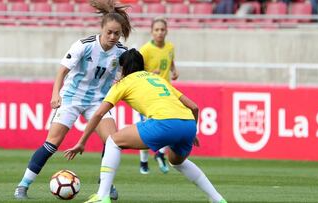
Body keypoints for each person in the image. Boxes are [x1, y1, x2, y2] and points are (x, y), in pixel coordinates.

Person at [64, 48, 228, 203]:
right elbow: (194, 106)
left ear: (123, 68)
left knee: (113, 142)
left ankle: (102, 196)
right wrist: (193, 133)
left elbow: (99, 114)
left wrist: (82, 141)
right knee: (177, 161)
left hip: (164, 123)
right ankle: (217, 198)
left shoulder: (123, 83)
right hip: (188, 125)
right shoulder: (157, 78)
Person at [13, 0, 132, 200]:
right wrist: (55, 94)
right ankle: (22, 186)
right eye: (109, 32)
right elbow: (62, 71)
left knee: (112, 142)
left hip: (98, 101)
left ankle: (106, 186)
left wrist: (122, 79)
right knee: (52, 143)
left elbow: (126, 75)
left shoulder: (122, 52)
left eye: (117, 33)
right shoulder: (83, 46)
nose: (112, 37)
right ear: (101, 28)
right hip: (72, 97)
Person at [138, 17, 179, 175]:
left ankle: (160, 154)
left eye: (162, 29)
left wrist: (174, 70)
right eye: (157, 30)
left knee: (167, 126)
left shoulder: (170, 47)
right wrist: (149, 73)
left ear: (166, 31)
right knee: (146, 130)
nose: (160, 32)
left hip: (166, 94)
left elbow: (170, 60)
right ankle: (144, 161)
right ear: (151, 32)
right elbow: (136, 71)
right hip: (147, 96)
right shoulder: (145, 50)